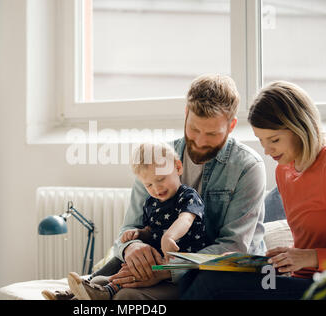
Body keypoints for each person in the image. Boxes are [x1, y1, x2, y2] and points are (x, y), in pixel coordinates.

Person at [102, 74, 267, 300]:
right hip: (163, 264)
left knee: (126, 298)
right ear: (186, 114)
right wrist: (132, 248)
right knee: (114, 272)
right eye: (194, 129)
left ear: (231, 126)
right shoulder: (156, 158)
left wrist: (165, 270)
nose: (199, 142)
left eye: (211, 134)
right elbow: (129, 229)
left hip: (215, 274)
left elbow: (234, 247)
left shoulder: (247, 168)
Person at [180, 81, 326, 300]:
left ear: (300, 128)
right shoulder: (284, 170)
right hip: (298, 278)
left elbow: (310, 255)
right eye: (261, 140)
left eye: (274, 140)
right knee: (200, 272)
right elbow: (305, 245)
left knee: (214, 283)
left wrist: (311, 257)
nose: (267, 151)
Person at [49, 142, 208, 300]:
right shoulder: (151, 203)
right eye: (149, 184)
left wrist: (169, 237)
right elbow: (152, 231)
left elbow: (186, 219)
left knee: (135, 270)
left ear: (178, 168)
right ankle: (79, 291)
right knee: (124, 257)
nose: (157, 188)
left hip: (179, 266)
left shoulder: (187, 196)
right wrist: (139, 234)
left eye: (161, 179)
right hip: (154, 258)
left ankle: (103, 292)